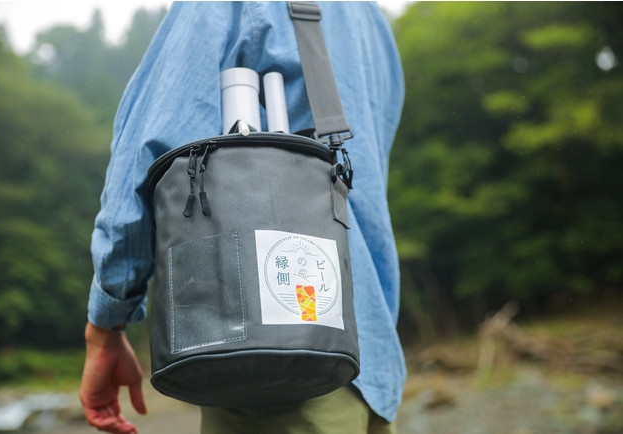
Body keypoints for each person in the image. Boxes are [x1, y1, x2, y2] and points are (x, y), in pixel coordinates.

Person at [79, 2, 406, 433]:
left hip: (273, 374)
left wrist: (106, 326)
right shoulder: (370, 19)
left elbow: (145, 158)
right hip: (368, 363)